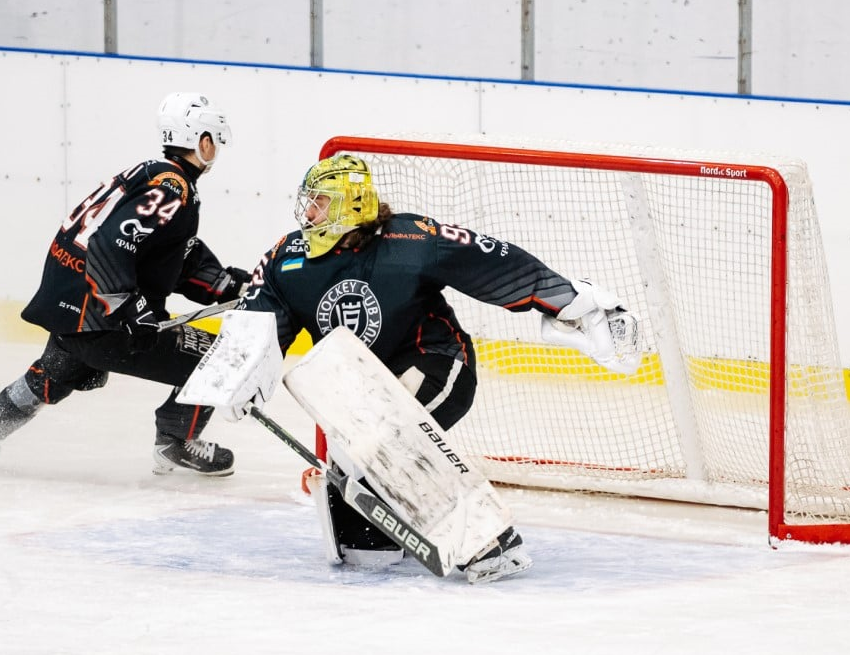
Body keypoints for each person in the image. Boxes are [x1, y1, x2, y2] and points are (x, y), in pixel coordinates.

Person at [236, 154, 637, 580]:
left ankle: (489, 540)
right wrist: (238, 374)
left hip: (438, 365)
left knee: (389, 437)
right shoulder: (287, 258)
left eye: (319, 202)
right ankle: (401, 525)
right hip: (362, 391)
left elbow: (497, 263)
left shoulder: (412, 239)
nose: (309, 212)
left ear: (350, 205)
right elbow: (257, 326)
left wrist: (574, 303)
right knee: (363, 549)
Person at [0, 92, 251, 474]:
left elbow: (170, 253)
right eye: (215, 141)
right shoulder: (173, 187)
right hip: (103, 320)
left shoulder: (150, 174)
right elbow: (109, 244)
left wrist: (225, 284)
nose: (216, 150)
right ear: (202, 142)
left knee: (49, 378)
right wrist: (131, 308)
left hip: (74, 313)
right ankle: (176, 441)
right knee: (222, 357)